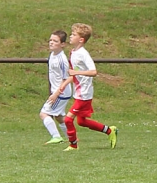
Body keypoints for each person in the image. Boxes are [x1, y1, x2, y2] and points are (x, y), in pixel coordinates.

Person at [52, 23, 118, 151]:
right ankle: (110, 131)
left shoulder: (83, 54)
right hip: (79, 92)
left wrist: (75, 72)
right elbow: (75, 73)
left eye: (73, 35)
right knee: (81, 121)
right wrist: (65, 83)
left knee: (68, 119)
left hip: (84, 94)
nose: (70, 36)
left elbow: (93, 72)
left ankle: (73, 145)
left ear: (81, 40)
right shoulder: (73, 52)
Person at [40, 29, 72, 145]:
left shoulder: (62, 60)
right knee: (58, 116)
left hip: (61, 93)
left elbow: (66, 79)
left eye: (55, 41)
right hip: (58, 92)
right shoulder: (52, 55)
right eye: (50, 40)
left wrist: (56, 94)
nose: (51, 42)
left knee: (44, 113)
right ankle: (72, 137)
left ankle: (56, 137)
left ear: (62, 44)